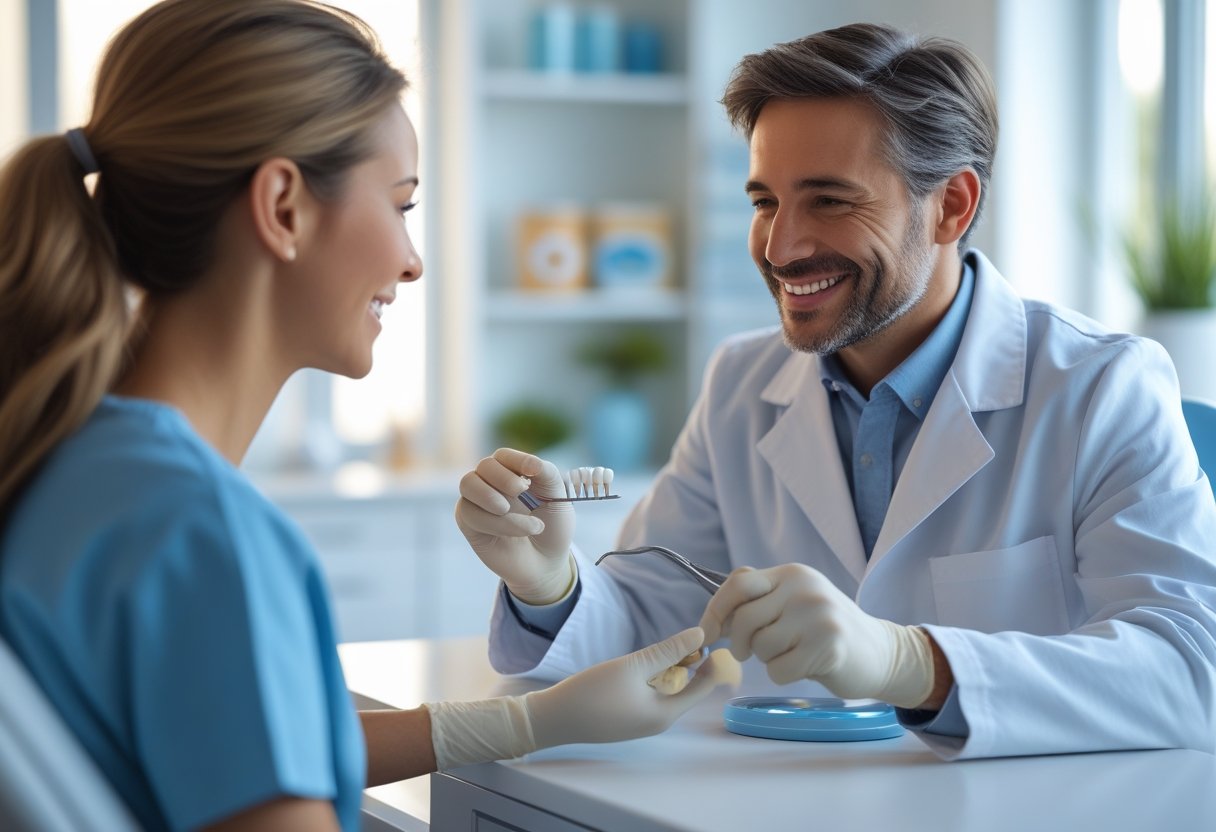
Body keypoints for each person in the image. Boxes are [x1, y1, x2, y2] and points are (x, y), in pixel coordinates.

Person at [0, 2, 735, 830]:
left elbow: (233, 740)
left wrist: (528, 721)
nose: (412, 263)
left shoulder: (75, 463)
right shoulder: (201, 530)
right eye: (401, 205)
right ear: (283, 208)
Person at [456, 22, 1216, 760]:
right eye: (764, 201)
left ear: (951, 205)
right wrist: (549, 586)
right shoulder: (740, 384)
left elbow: (1190, 669)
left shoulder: (1101, 386)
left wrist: (907, 663)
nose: (780, 247)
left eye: (829, 200)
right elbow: (644, 627)